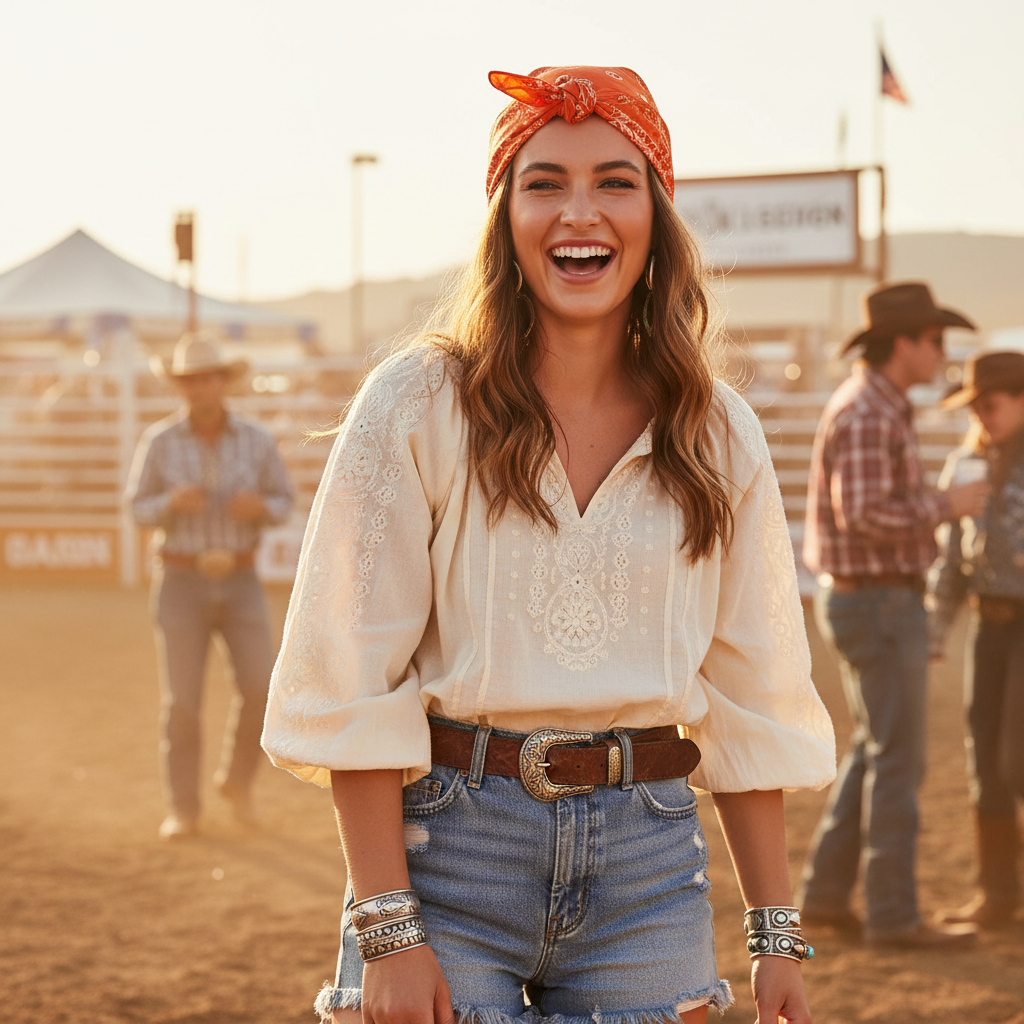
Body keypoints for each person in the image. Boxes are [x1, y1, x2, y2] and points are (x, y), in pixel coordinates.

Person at [262, 66, 835, 1024]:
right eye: (544, 182)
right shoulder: (418, 404)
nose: (582, 211)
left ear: (656, 214)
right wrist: (390, 932)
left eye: (616, 181)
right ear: (505, 217)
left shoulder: (719, 432)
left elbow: (754, 692)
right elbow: (351, 679)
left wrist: (774, 934)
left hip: (651, 867)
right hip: (447, 858)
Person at [797, 282, 990, 947]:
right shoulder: (874, 413)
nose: (942, 353)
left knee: (876, 752)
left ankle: (825, 895)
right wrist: (949, 506)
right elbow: (866, 513)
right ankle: (892, 914)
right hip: (880, 599)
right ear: (904, 343)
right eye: (936, 341)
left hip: (865, 598)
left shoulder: (873, 404)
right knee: (898, 760)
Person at [127, 332, 294, 840]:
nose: (199, 387)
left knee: (261, 689)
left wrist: (261, 510)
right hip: (180, 578)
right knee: (182, 700)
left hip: (240, 578)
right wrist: (169, 505)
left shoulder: (257, 439)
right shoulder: (159, 441)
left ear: (222, 382)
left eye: (207, 378)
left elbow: (284, 500)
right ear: (181, 386)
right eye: (190, 380)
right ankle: (185, 808)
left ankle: (236, 782)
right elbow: (137, 508)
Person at [928, 349, 1024, 928]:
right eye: (977, 407)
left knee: (1016, 759)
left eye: (991, 405)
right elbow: (950, 559)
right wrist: (938, 627)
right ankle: (998, 894)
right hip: (990, 625)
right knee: (984, 756)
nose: (982, 416)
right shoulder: (966, 465)